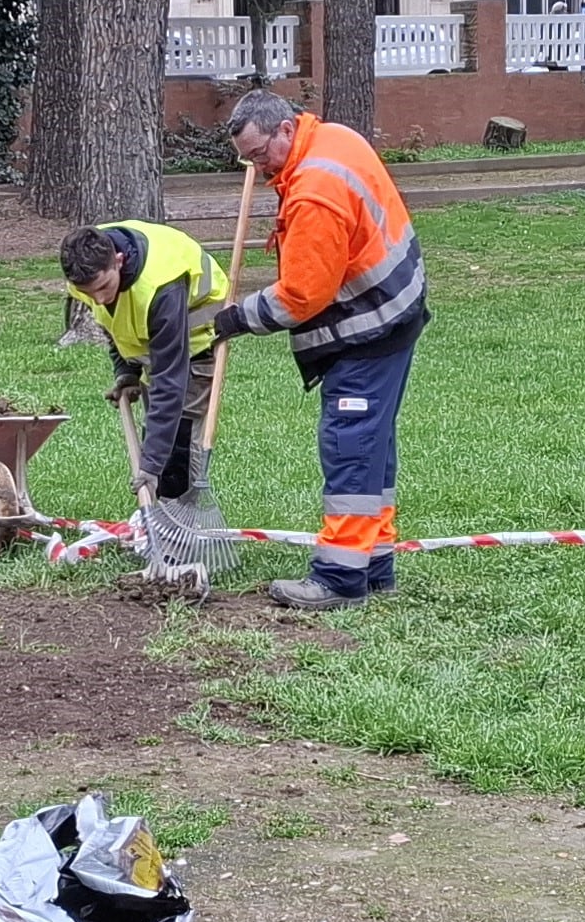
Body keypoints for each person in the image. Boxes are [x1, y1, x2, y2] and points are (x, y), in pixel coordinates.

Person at [205, 88, 428, 609]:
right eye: (249, 160)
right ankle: (375, 566)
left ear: (286, 129)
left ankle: (339, 579)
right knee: (371, 447)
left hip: (368, 327)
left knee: (350, 445)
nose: (258, 170)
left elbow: (303, 296)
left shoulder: (314, 189)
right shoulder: (330, 138)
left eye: (261, 155)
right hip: (396, 309)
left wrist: (238, 317)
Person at [59, 219, 229, 528]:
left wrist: (149, 466)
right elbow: (112, 322)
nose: (98, 298)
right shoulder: (85, 270)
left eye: (104, 288)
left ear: (119, 262)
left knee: (179, 430)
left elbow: (169, 381)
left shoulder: (161, 285)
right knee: (160, 430)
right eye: (89, 292)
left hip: (195, 338)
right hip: (155, 344)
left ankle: (183, 528)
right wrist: (127, 371)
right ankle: (161, 521)